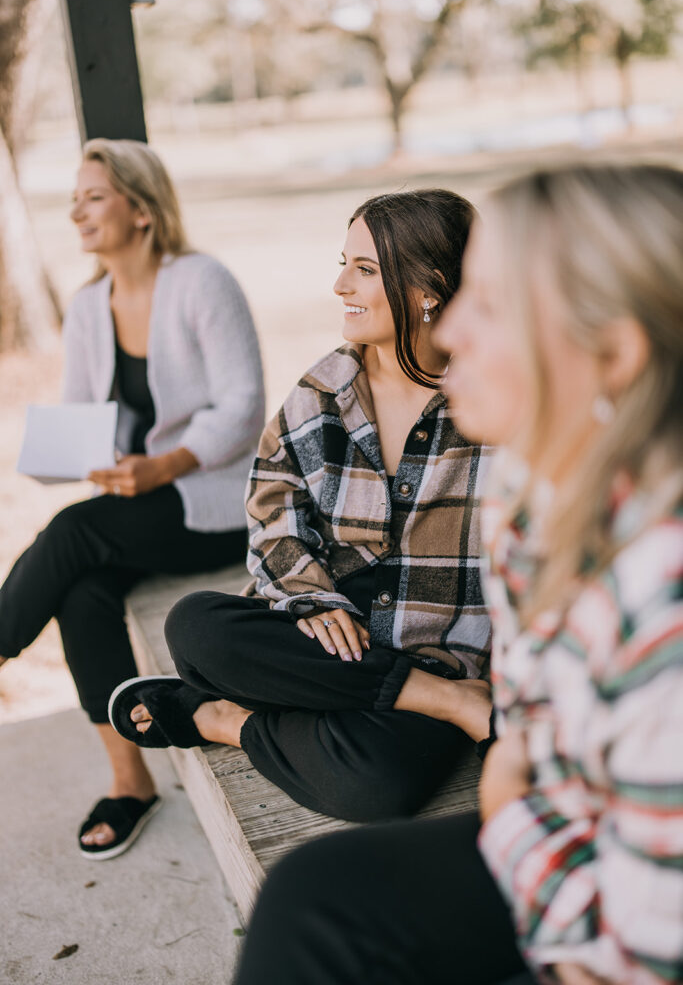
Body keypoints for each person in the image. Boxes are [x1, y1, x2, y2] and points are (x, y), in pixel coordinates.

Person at [229, 162, 683, 985]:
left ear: (612, 352)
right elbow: (527, 757)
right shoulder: (537, 503)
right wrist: (312, 595)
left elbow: (628, 959)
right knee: (315, 891)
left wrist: (509, 801)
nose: (452, 327)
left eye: (492, 300)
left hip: (610, 910)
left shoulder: (663, 604)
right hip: (558, 824)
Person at [109, 188, 495, 823]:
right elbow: (273, 508)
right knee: (196, 626)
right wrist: (311, 595)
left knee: (375, 787)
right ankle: (443, 702)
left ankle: (222, 718)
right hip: (325, 638)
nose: (339, 283)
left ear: (432, 288)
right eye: (343, 261)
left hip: (439, 647)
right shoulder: (322, 391)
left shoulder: (500, 399)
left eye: (365, 269)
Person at [0, 138, 265, 859]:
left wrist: (162, 465)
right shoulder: (89, 306)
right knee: (82, 587)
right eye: (75, 199)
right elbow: (85, 417)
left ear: (141, 209)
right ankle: (130, 781)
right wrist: (101, 463)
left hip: (214, 501)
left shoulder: (202, 281)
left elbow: (243, 406)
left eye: (94, 196)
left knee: (74, 533)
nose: (77, 212)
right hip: (141, 507)